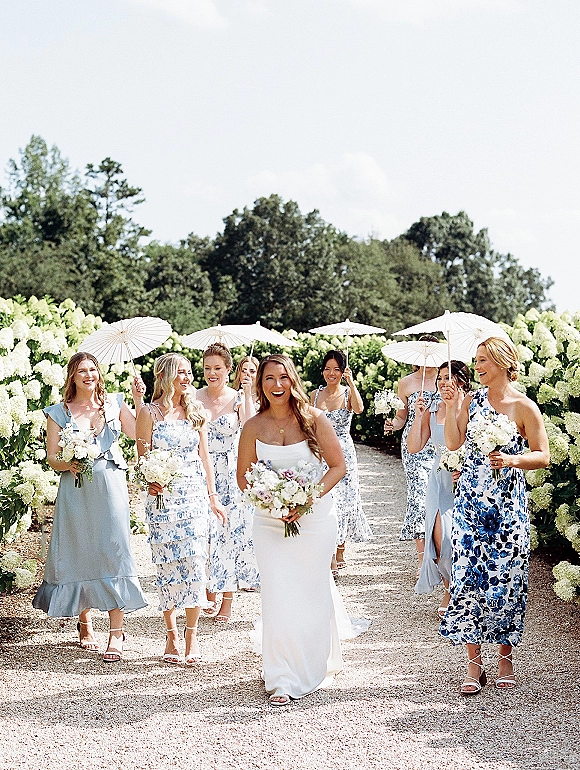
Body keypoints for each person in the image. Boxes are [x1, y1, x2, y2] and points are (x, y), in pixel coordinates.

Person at [237, 354, 349, 706]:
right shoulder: (253, 426)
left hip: (314, 520)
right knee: (277, 593)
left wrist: (306, 499)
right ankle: (281, 675)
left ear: (293, 381)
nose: (277, 385)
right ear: (261, 385)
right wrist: (271, 501)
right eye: (269, 379)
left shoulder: (315, 419)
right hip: (269, 522)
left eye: (283, 378)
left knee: (310, 589)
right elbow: (243, 476)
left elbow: (337, 466)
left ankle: (313, 663)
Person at [440, 337, 549, 695]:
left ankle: (505, 660)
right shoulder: (471, 401)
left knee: (506, 579)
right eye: (475, 360)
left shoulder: (523, 406)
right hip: (471, 501)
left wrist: (513, 460)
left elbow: (542, 455)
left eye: (483, 359)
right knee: (469, 579)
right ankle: (474, 665)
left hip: (508, 506)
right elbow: (455, 444)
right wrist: (455, 406)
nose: (477, 366)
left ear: (503, 362)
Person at [33, 352, 147, 662]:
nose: (88, 375)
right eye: (81, 370)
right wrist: (70, 461)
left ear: (99, 373)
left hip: (110, 486)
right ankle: (85, 623)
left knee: (113, 550)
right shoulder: (58, 413)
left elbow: (139, 434)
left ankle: (116, 632)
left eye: (93, 369)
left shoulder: (113, 404)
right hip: (75, 490)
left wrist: (138, 400)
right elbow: (53, 458)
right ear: (72, 376)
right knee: (80, 548)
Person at [136, 353, 226, 665]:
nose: (187, 379)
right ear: (165, 376)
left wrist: (213, 496)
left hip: (194, 499)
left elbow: (205, 457)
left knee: (195, 565)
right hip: (163, 502)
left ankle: (191, 635)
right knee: (167, 568)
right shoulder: (149, 413)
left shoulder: (195, 411)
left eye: (189, 373)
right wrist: (150, 480)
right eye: (181, 373)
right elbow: (142, 459)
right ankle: (171, 633)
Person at [196, 343, 259, 621]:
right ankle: (208, 589)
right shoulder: (194, 397)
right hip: (200, 471)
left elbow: (249, 425)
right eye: (208, 368)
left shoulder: (237, 398)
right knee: (205, 533)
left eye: (217, 368)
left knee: (230, 534)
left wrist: (246, 393)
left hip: (230, 473)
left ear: (228, 369)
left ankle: (227, 601)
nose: (212, 373)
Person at [407, 360, 471, 617]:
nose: (444, 383)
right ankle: (450, 588)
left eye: (449, 378)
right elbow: (414, 447)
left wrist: (466, 467)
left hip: (463, 478)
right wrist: (419, 416)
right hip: (438, 480)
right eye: (441, 378)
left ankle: (459, 590)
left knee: (458, 538)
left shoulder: (471, 406)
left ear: (462, 381)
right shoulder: (433, 410)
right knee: (438, 538)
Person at [309, 350, 372, 574]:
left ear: (343, 370)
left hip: (343, 451)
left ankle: (340, 548)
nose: (331, 373)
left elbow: (359, 409)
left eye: (336, 369)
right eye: (327, 368)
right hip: (320, 453)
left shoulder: (347, 394)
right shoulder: (314, 396)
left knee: (345, 500)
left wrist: (351, 383)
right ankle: (328, 552)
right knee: (327, 500)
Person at [384, 335, 440, 571]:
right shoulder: (405, 383)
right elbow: (401, 417)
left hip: (440, 442)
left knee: (439, 496)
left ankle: (441, 553)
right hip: (414, 444)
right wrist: (392, 425)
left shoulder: (445, 380)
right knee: (418, 498)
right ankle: (422, 559)